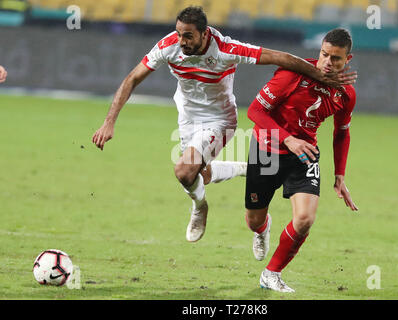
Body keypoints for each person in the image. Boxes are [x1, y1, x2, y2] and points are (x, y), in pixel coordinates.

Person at [92, 7, 357, 243]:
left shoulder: (226, 49)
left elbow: (281, 57)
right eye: (179, 34)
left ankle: (200, 208)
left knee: (184, 171)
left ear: (204, 34)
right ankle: (245, 168)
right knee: (199, 175)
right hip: (187, 118)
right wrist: (108, 122)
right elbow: (132, 78)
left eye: (188, 36)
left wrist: (320, 75)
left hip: (220, 119)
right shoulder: (168, 46)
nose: (181, 41)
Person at [245, 28, 359, 292]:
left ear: (347, 60)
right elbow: (255, 110)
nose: (328, 63)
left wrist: (340, 175)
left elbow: (342, 132)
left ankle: (271, 273)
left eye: (336, 59)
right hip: (267, 150)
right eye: (324, 55)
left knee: (305, 218)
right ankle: (263, 228)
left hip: (305, 154)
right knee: (253, 220)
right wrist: (287, 139)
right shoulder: (292, 74)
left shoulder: (346, 93)